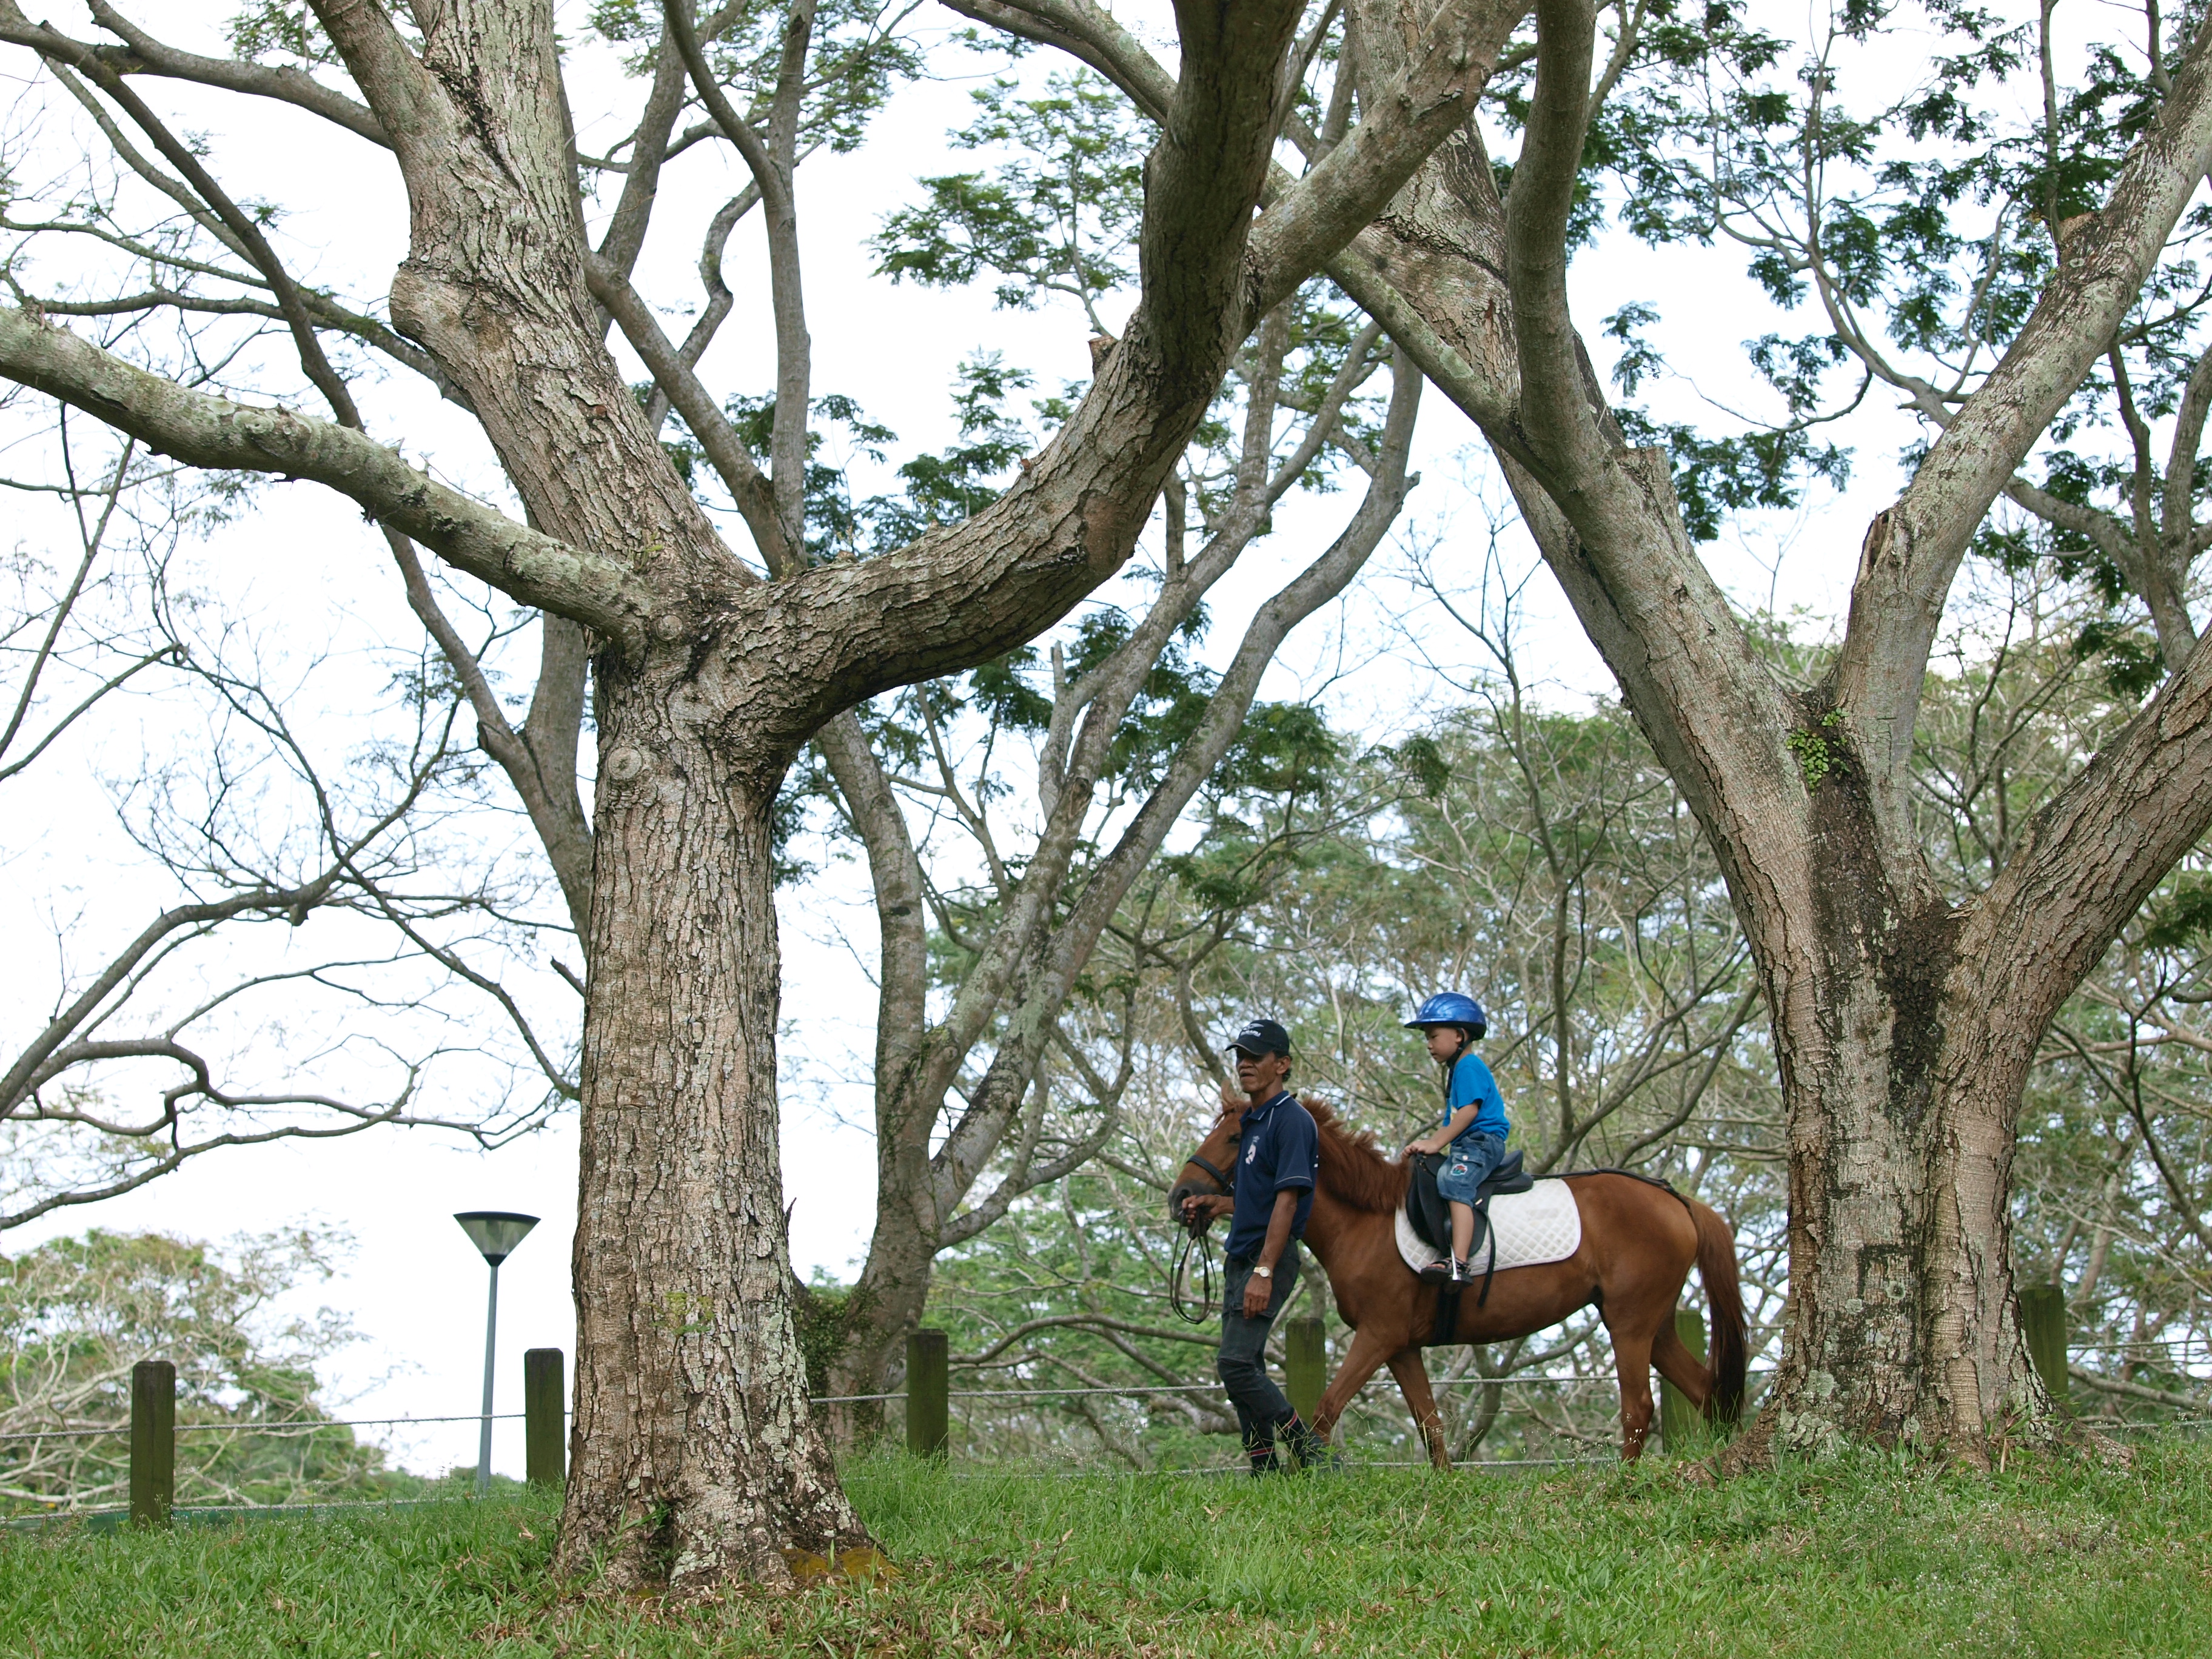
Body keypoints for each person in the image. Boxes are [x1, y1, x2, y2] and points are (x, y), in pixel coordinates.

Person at [1178, 1017, 1327, 1475]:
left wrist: (1264, 1271)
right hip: (1239, 1257)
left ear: (1281, 1065)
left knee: (1234, 1364)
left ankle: (1311, 1453)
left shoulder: (1292, 1122)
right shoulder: (1254, 1123)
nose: (1245, 1065)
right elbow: (1255, 1198)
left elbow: (1287, 1200)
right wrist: (1215, 1204)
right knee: (1246, 1366)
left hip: (1268, 1258)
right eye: (1240, 1056)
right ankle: (1264, 1470)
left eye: (1255, 1057)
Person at [1402, 992, 1510, 1284]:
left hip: (1481, 1142)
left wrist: (1435, 1142)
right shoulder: (1459, 1069)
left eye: (1434, 1036)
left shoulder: (1468, 1066)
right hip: (1470, 1143)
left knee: (1454, 1181)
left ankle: (1459, 1262)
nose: (1429, 1044)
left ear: (1460, 1036)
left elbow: (1469, 1112)